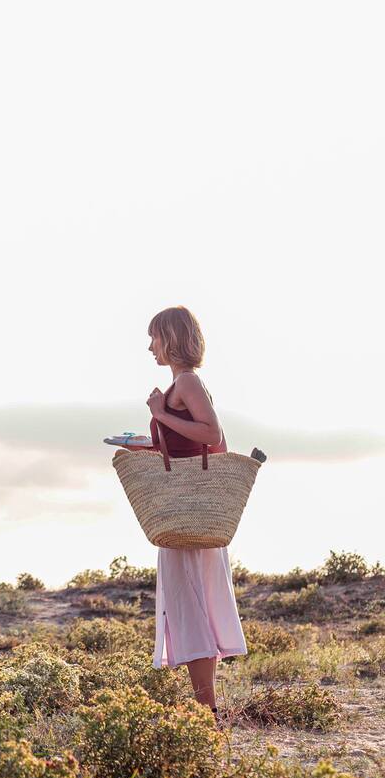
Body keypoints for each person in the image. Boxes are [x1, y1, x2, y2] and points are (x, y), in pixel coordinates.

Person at [116, 306, 247, 716]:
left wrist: (160, 414)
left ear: (170, 338)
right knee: (190, 609)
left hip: (190, 514)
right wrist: (153, 444)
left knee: (192, 610)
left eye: (154, 336)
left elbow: (214, 437)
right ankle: (204, 711)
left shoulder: (187, 382)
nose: (150, 345)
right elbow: (200, 446)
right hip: (185, 512)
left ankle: (206, 714)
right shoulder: (178, 387)